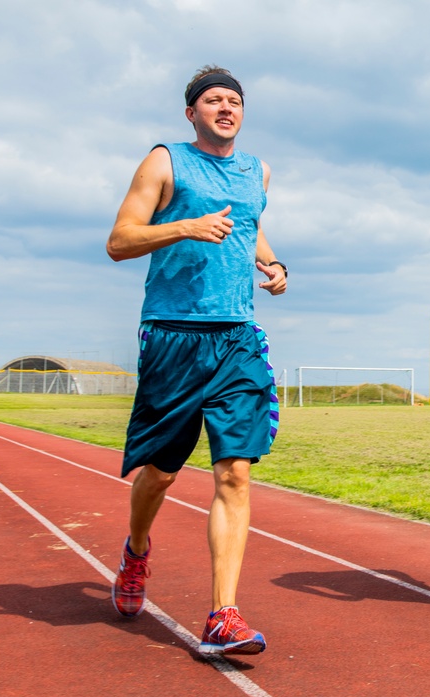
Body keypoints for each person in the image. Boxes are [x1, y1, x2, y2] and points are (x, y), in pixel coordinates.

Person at [105, 65, 287, 654]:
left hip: (237, 333)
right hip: (173, 333)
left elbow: (249, 225)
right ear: (192, 112)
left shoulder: (257, 170)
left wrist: (272, 262)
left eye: (234, 100)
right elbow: (120, 240)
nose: (226, 108)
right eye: (213, 100)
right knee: (160, 471)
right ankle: (136, 552)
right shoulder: (165, 161)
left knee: (234, 470)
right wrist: (184, 226)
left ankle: (223, 615)